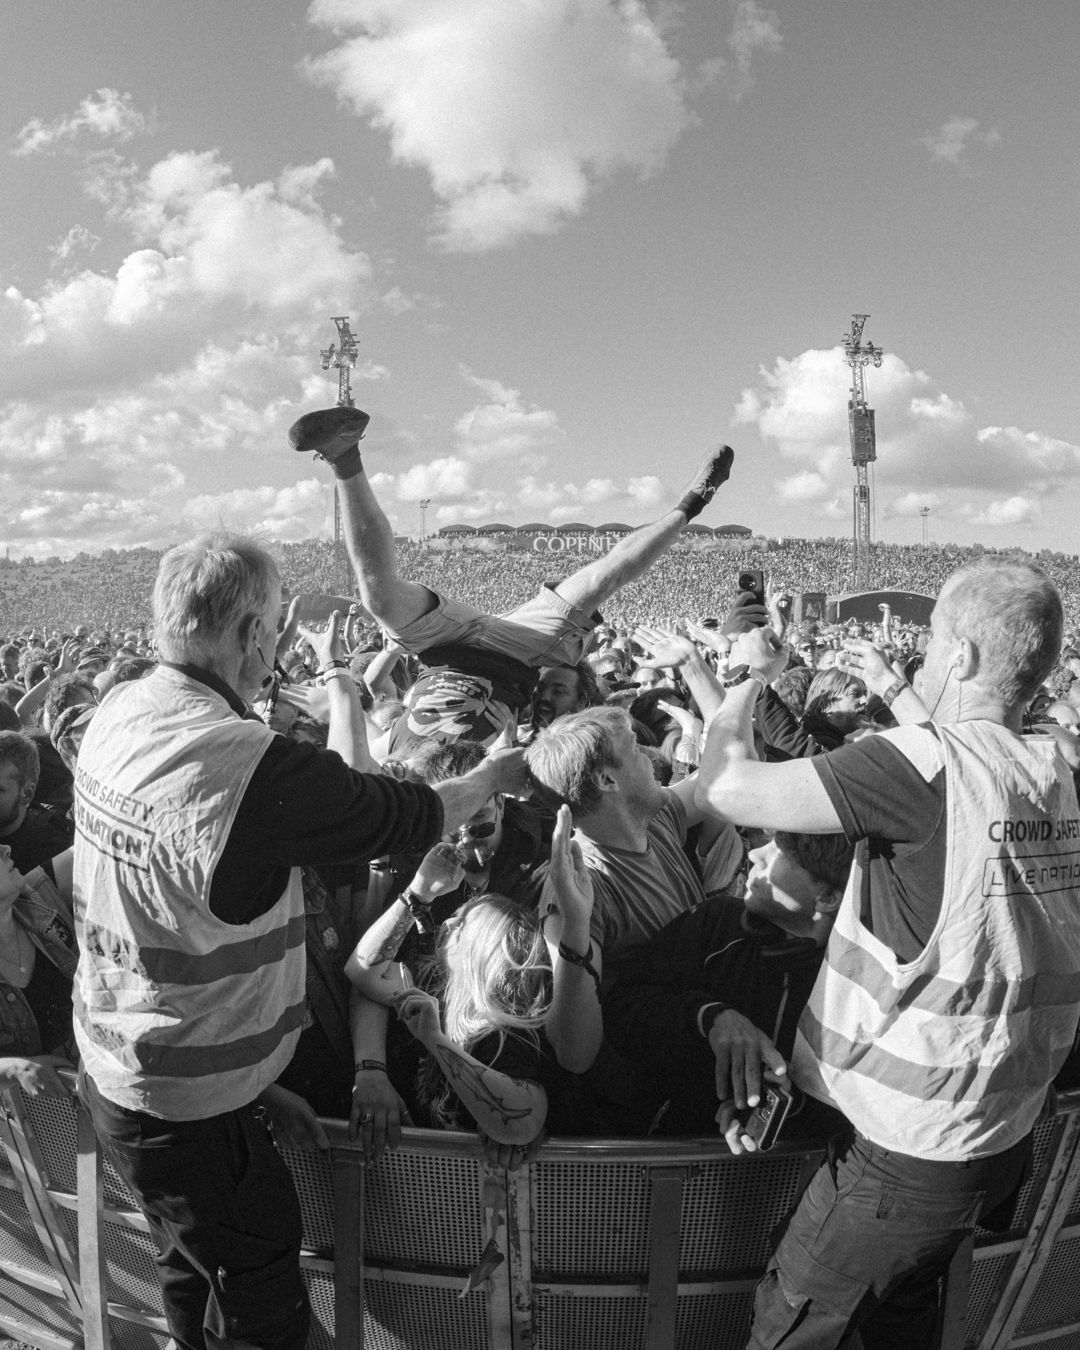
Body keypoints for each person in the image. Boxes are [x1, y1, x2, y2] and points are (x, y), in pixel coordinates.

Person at [72, 532, 524, 1350]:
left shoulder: (123, 709)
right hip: (183, 1101)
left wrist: (247, 1088)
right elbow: (404, 816)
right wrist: (493, 778)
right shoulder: (243, 763)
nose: (278, 646)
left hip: (138, 1069)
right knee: (261, 1319)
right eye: (276, 628)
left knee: (191, 1276)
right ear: (249, 633)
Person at [695, 560, 1080, 1350]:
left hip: (911, 1149)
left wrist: (741, 679)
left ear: (963, 656)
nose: (924, 665)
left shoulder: (923, 768)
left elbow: (726, 789)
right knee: (900, 1324)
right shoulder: (1058, 768)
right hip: (998, 1129)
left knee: (793, 1326)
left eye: (933, 648)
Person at [289, 404, 735, 753]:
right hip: (518, 654)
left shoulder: (389, 764)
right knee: (601, 579)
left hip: (440, 650)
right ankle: (693, 503)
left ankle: (343, 453)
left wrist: (332, 672)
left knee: (378, 598)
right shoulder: (515, 757)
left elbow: (359, 725)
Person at [0, 843, 78, 1099]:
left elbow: (98, 847)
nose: (6, 847)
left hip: (104, 1097)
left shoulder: (36, 895)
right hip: (44, 1125)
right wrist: (15, 1070)